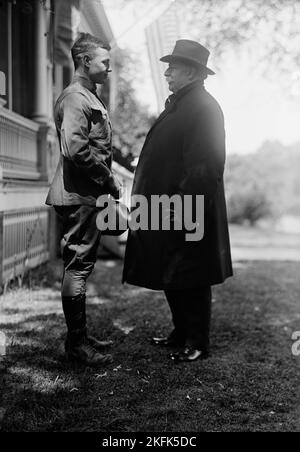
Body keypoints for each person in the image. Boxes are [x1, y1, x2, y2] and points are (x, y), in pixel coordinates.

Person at [123, 40, 233, 362]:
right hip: (165, 208)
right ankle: (181, 332)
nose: (167, 73)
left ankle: (198, 341)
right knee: (171, 273)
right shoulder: (181, 104)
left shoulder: (204, 107)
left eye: (173, 67)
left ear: (191, 71)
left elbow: (205, 166)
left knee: (192, 276)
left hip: (186, 209)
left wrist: (184, 209)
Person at [46, 33, 121, 366]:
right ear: (85, 61)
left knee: (82, 266)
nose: (108, 68)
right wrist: (107, 178)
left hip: (86, 193)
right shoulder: (76, 98)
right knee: (77, 268)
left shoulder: (89, 95)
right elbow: (75, 149)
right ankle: (76, 345)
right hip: (80, 194)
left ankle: (79, 337)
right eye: (104, 62)